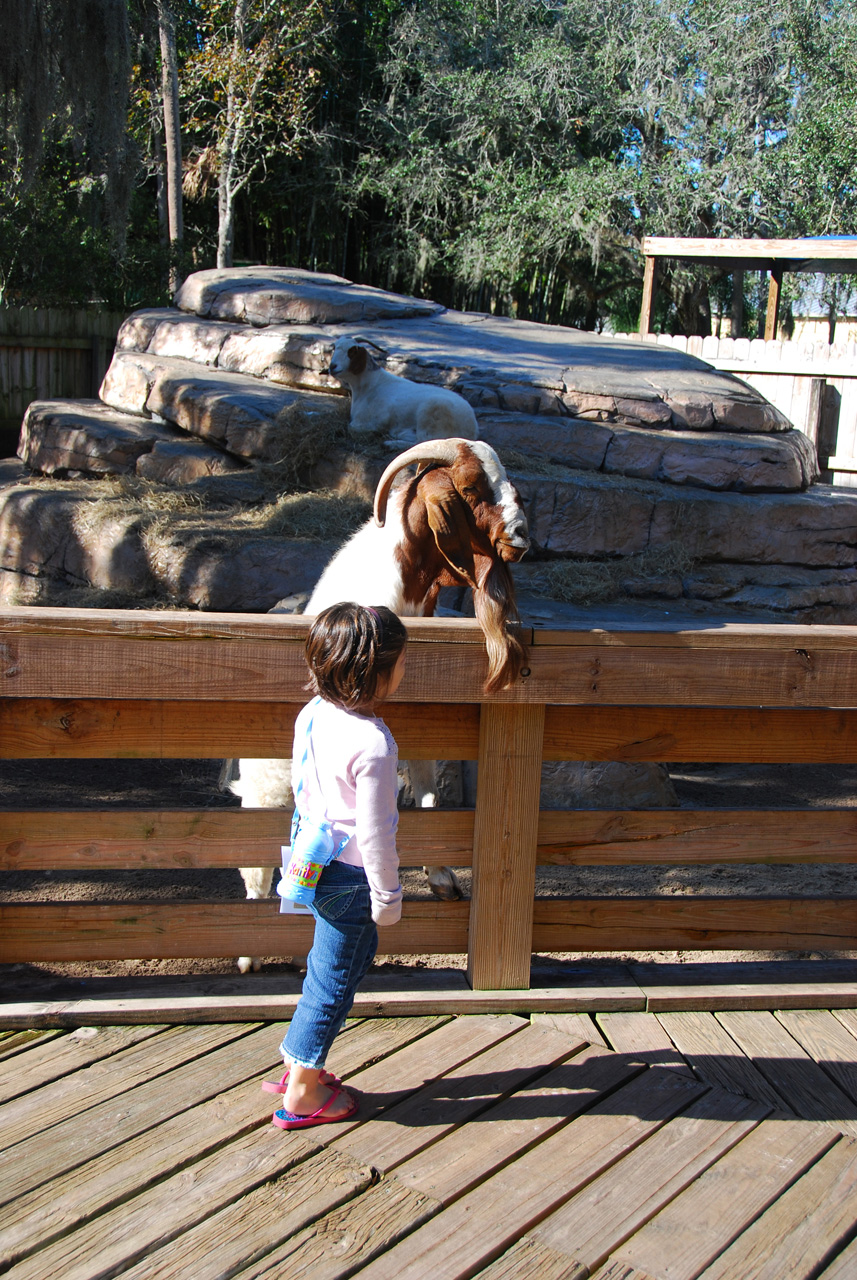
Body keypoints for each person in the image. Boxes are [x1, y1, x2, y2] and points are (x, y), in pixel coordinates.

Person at [263, 601, 408, 1130]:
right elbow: (375, 835)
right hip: (350, 877)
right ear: (378, 672)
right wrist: (388, 897)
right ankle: (302, 1091)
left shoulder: (313, 713)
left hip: (312, 859)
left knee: (327, 966)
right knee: (335, 981)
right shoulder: (373, 743)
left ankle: (295, 1063)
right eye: (401, 661)